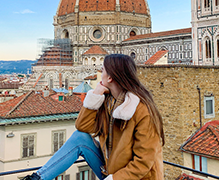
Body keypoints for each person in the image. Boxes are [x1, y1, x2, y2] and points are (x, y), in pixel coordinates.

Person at [23, 54, 165, 180]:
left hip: (132, 177)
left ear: (110, 77)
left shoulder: (143, 110)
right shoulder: (109, 101)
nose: (99, 73)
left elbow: (143, 163)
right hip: (111, 169)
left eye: (102, 70)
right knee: (80, 138)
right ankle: (38, 178)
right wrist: (95, 96)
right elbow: (82, 127)